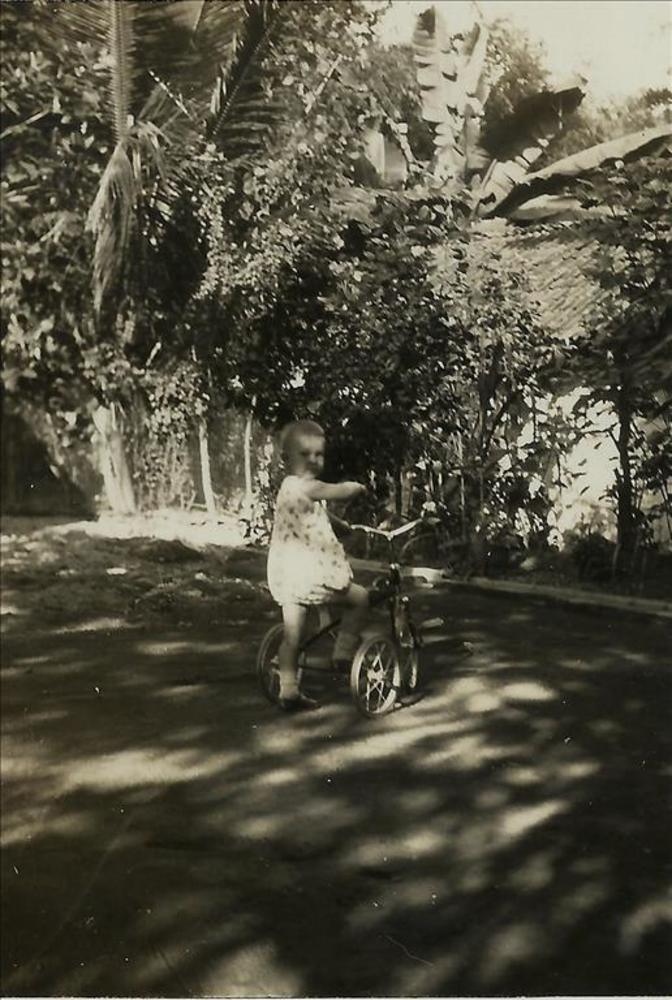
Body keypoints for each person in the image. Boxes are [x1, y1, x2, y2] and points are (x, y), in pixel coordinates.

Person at [267, 419, 369, 711]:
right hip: (310, 575)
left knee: (292, 636)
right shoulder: (307, 485)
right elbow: (336, 491)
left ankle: (288, 690)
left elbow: (315, 513)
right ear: (286, 459)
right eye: (305, 454)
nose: (313, 460)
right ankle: (343, 653)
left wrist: (342, 526)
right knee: (360, 598)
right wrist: (355, 487)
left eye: (319, 454)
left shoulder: (288, 488)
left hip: (287, 577)